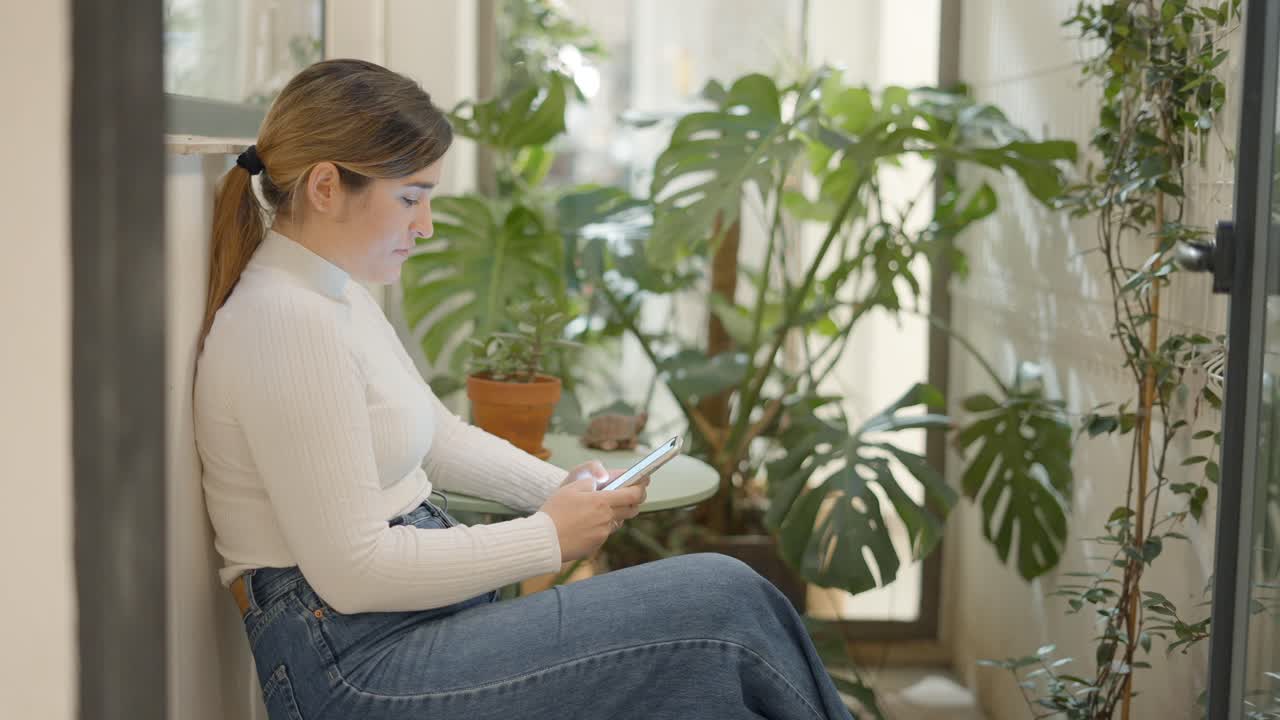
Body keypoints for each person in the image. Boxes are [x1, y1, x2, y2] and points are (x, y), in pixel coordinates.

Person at [194, 58, 855, 720]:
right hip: (356, 668)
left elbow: (440, 438)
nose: (424, 225)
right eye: (410, 197)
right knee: (724, 601)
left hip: (399, 633)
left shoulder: (333, 297)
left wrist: (567, 495)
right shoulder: (284, 323)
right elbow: (353, 570)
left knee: (715, 683)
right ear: (327, 187)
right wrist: (548, 536)